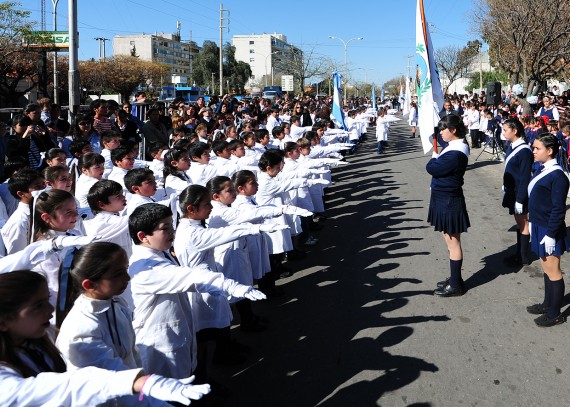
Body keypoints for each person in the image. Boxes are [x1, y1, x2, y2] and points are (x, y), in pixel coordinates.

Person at [0, 270, 211, 406]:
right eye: (37, 306)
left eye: (47, 300)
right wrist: (140, 383)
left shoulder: (34, 342)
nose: (49, 309)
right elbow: (67, 386)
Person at [127, 203, 266, 379]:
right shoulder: (147, 268)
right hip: (160, 340)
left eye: (172, 226)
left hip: (176, 328)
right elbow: (189, 276)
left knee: (187, 371)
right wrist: (230, 286)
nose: (173, 232)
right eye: (165, 228)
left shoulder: (158, 251)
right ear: (143, 236)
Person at [526, 133, 569, 327]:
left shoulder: (558, 176)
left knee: (554, 271)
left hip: (548, 228)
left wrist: (551, 234)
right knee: (545, 267)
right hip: (538, 225)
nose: (533, 151)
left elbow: (559, 209)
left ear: (549, 151)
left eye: (537, 148)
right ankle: (547, 303)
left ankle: (555, 313)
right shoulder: (542, 169)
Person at [426, 114, 470, 297]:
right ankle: (454, 278)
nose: (441, 133)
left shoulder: (456, 153)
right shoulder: (454, 146)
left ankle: (455, 285)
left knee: (453, 243)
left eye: (443, 129)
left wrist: (434, 159)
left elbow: (432, 168)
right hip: (444, 197)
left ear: (453, 131)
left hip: (448, 200)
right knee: (449, 241)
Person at [501, 118, 533, 266]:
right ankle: (519, 253)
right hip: (512, 191)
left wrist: (520, 199)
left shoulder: (524, 151)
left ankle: (523, 256)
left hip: (519, 192)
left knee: (523, 223)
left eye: (505, 129)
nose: (503, 132)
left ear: (515, 131)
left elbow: (525, 177)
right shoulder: (512, 146)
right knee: (519, 223)